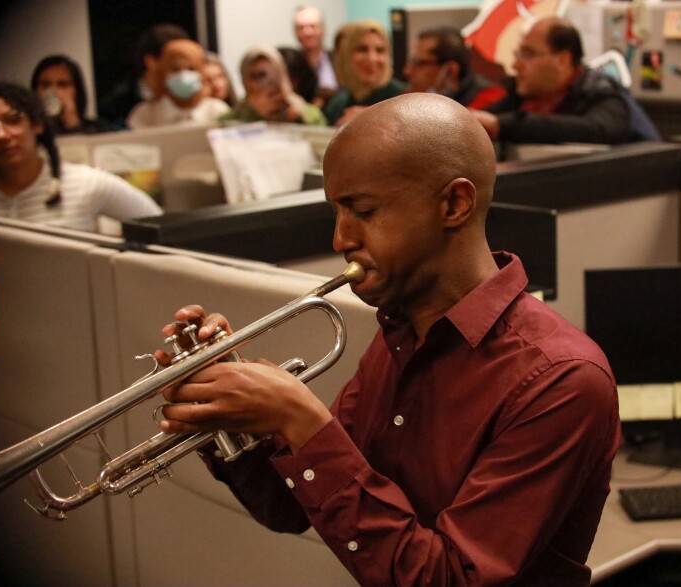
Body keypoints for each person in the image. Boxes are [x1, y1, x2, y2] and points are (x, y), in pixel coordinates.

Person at [156, 93, 620, 586]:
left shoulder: (561, 380)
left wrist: (300, 418)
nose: (340, 239)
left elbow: (445, 578)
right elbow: (292, 509)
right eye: (337, 212)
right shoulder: (402, 334)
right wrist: (234, 414)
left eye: (364, 210)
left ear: (454, 204)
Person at [0, 83, 162, 233]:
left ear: (37, 124)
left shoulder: (85, 184)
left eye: (13, 120)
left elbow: (161, 223)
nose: (1, 135)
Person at [472, 16, 660, 145]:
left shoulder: (601, 93)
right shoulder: (525, 96)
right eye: (517, 54)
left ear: (562, 60)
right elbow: (489, 120)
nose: (515, 65)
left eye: (527, 54)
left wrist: (503, 125)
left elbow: (596, 130)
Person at [97, 23, 191, 129]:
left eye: (189, 66)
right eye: (175, 65)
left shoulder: (194, 96)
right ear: (151, 62)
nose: (184, 73)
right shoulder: (116, 107)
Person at [126, 38, 231, 128]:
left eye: (191, 68)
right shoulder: (145, 114)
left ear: (202, 74)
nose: (183, 75)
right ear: (163, 73)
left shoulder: (218, 110)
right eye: (175, 69)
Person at [323, 19, 407, 127]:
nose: (372, 58)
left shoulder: (404, 97)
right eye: (362, 49)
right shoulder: (337, 105)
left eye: (380, 50)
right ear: (345, 54)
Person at [403, 26, 507, 110]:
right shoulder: (409, 95)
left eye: (419, 64)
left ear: (451, 70)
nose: (408, 71)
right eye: (411, 62)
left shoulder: (490, 99)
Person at [221, 45, 326, 125]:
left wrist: (298, 119)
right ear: (245, 81)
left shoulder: (310, 114)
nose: (265, 82)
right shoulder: (229, 120)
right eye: (257, 76)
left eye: (272, 74)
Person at [30, 54, 111, 135]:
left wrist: (73, 125)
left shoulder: (98, 129)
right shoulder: (27, 131)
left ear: (76, 91)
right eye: (45, 85)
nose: (53, 92)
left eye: (62, 85)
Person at [293, 5, 339, 108]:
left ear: (323, 29)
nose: (307, 32)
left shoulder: (338, 59)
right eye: (301, 27)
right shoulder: (290, 63)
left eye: (312, 26)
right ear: (295, 32)